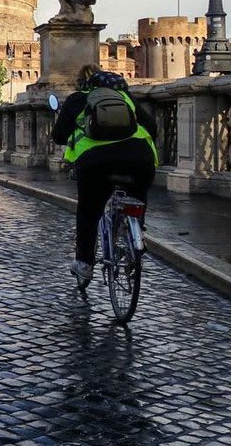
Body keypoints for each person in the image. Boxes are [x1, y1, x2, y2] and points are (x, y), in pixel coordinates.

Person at [51, 64, 157, 284]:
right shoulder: (126, 98)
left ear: (82, 83)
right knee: (137, 195)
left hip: (95, 164)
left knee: (89, 212)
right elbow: (152, 126)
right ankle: (137, 232)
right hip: (141, 159)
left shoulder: (77, 100)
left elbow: (59, 136)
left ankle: (85, 264)